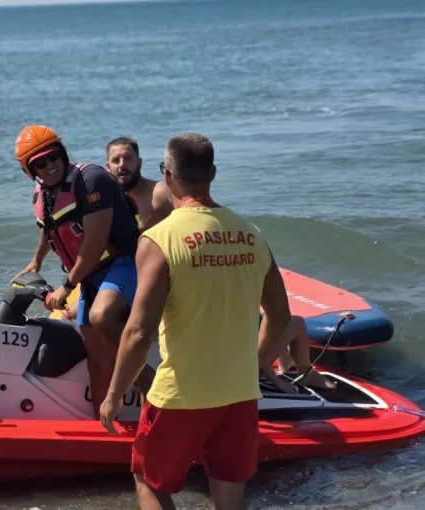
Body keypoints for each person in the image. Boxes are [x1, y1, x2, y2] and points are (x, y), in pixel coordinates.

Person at [100, 133, 292, 510]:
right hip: (238, 393)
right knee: (229, 488)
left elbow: (139, 332)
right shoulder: (251, 234)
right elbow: (280, 314)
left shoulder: (160, 238)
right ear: (213, 173)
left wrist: (114, 394)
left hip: (180, 394)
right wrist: (257, 361)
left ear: (167, 176)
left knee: (149, 481)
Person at [13, 125, 152, 417]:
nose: (49, 166)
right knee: (96, 357)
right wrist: (35, 262)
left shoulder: (92, 180)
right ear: (30, 170)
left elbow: (95, 243)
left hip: (124, 263)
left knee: (100, 317)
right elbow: (49, 229)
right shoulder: (43, 191)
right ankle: (102, 424)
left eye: (53, 157)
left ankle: (150, 381)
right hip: (91, 274)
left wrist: (66, 287)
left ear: (62, 154)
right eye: (39, 163)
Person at [105, 137, 173, 232]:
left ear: (139, 163)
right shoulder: (105, 200)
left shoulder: (160, 193)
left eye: (128, 158)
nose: (122, 165)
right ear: (108, 167)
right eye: (116, 160)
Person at [262, 315, 336, 389]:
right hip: (256, 366)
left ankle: (285, 360)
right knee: (297, 323)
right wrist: (277, 380)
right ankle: (306, 373)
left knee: (287, 320)